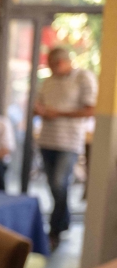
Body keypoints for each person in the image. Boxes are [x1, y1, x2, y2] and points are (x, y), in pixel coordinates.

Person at [34, 47, 98, 249]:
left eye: (54, 65)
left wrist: (59, 113)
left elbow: (90, 110)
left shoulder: (83, 78)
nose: (52, 69)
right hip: (47, 140)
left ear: (64, 62)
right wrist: (41, 110)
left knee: (59, 184)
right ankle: (63, 222)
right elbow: (40, 102)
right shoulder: (49, 81)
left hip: (69, 141)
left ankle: (55, 229)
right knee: (53, 186)